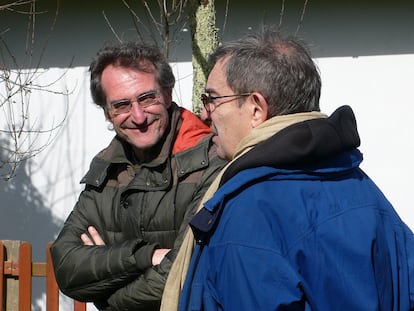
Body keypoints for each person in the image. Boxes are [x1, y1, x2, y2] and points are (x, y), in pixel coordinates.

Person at [168, 26, 414, 310]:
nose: (204, 112)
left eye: (212, 99)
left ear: (256, 109)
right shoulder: (359, 184)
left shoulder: (249, 210)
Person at [50, 41, 226, 310]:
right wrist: (146, 256)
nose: (138, 116)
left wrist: (107, 294)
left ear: (167, 94)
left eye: (147, 98)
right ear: (107, 113)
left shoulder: (211, 159)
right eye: (121, 105)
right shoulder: (107, 168)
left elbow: (187, 272)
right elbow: (67, 268)